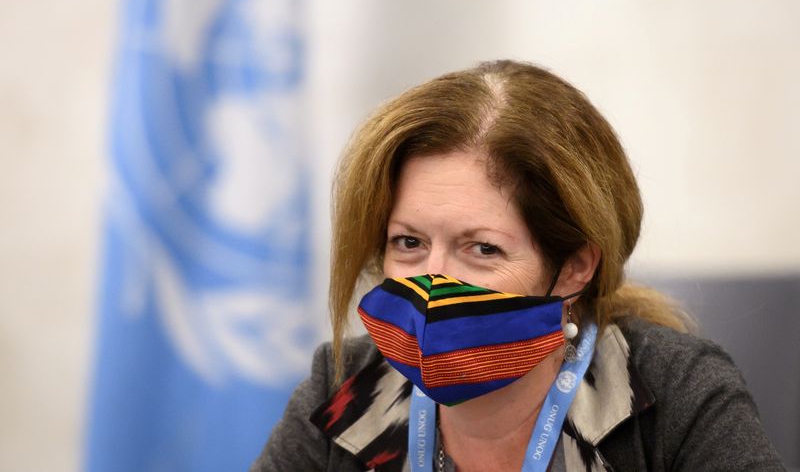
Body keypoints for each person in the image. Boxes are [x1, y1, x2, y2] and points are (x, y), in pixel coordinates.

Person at [252, 60, 784, 471]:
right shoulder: (346, 389)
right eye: (409, 242)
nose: (433, 280)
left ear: (575, 268)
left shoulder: (673, 392)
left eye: (482, 249)